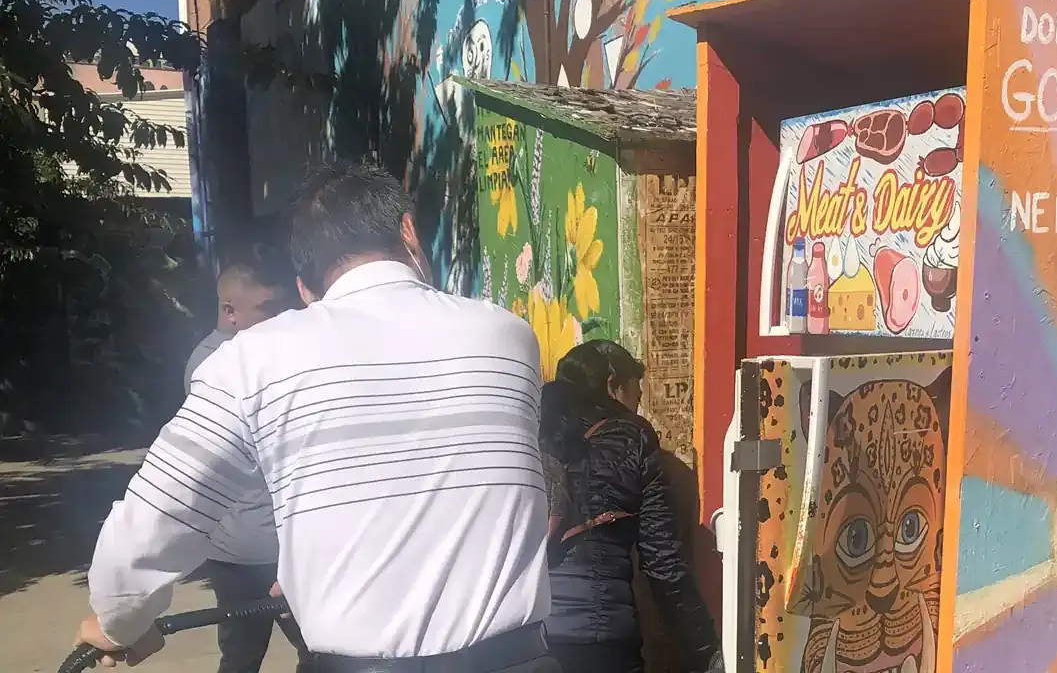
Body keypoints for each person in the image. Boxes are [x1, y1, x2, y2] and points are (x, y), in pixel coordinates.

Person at [76, 160, 558, 673]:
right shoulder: (509, 336)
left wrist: (118, 619)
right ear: (409, 231)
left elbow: (154, 521)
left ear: (305, 287)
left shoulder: (252, 360)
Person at [539, 340, 721, 673]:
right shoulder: (630, 435)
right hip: (602, 635)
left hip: (532, 636)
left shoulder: (537, 431)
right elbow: (662, 560)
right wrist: (704, 650)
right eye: (636, 395)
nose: (637, 406)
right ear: (613, 385)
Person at [184, 248, 313, 673]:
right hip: (244, 552)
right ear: (230, 311)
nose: (279, 317)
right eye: (267, 308)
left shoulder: (259, 352)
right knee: (244, 657)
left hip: (276, 543)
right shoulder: (214, 365)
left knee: (318, 652)